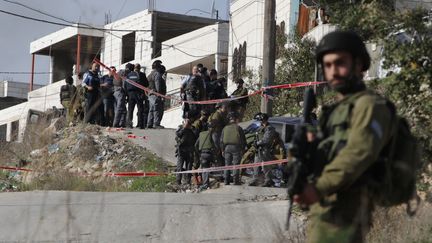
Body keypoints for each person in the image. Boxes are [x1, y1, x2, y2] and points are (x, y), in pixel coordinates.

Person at [294, 31, 393, 243]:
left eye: (340, 63)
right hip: (324, 214)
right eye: (327, 65)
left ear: (359, 64)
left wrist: (317, 188)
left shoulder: (369, 105)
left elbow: (359, 153)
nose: (333, 71)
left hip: (347, 218)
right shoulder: (335, 111)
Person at [248, 112, 279, 187]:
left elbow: (266, 139)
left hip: (265, 148)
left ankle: (269, 180)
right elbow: (256, 136)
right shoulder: (260, 128)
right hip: (258, 148)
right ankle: (256, 179)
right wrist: (255, 143)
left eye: (260, 120)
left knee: (266, 165)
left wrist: (258, 143)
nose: (259, 122)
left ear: (264, 120)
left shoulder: (269, 128)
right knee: (256, 164)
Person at [220, 111, 246, 185]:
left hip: (227, 148)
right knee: (236, 164)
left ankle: (226, 181)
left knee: (227, 164)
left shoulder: (225, 128)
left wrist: (222, 150)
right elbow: (243, 140)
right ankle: (235, 181)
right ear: (236, 119)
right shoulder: (238, 128)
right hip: (236, 148)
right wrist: (243, 149)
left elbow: (221, 140)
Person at [175, 116, 197, 186]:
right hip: (181, 150)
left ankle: (188, 181)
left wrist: (190, 128)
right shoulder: (181, 128)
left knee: (189, 167)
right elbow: (178, 135)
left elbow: (196, 136)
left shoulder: (192, 129)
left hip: (189, 151)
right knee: (180, 167)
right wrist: (184, 128)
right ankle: (178, 181)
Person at [125, 64, 147, 129]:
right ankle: (140, 124)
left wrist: (127, 95)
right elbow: (146, 84)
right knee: (140, 109)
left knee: (130, 109)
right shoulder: (142, 75)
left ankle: (129, 124)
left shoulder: (129, 75)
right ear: (140, 68)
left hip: (130, 93)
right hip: (139, 93)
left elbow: (125, 85)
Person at [208, 102, 229, 167]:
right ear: (220, 108)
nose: (226, 109)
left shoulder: (221, 114)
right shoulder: (216, 115)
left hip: (219, 133)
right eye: (225, 108)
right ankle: (218, 165)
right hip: (216, 133)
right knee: (218, 149)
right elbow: (213, 125)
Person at [195, 122, 214, 190]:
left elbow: (196, 145)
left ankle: (205, 182)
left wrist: (199, 153)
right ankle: (206, 184)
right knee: (207, 168)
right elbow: (214, 144)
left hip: (202, 154)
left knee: (204, 169)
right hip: (209, 154)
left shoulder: (201, 135)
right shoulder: (210, 134)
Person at [147, 60, 166, 129]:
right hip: (156, 94)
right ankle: (156, 124)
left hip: (150, 94)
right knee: (157, 109)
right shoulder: (157, 74)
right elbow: (158, 85)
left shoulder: (149, 75)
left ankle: (149, 123)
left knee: (151, 110)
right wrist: (160, 95)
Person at [112, 64, 131, 128]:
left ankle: (122, 123)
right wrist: (126, 93)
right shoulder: (124, 73)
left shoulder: (118, 73)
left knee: (123, 109)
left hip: (116, 92)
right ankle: (116, 124)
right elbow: (124, 83)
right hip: (120, 92)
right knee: (119, 109)